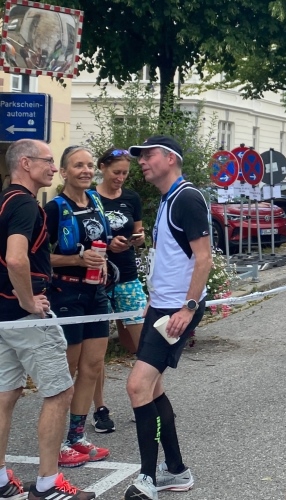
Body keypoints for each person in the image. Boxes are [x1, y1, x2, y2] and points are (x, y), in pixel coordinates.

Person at [0, 139, 94, 500]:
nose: (54, 168)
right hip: (26, 316)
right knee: (59, 392)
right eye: (49, 161)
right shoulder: (26, 204)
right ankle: (48, 483)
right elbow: (16, 258)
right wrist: (28, 300)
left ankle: (0, 478)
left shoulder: (4, 200)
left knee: (6, 392)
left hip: (3, 316)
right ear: (25, 163)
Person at [123, 136, 211, 499]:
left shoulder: (187, 198)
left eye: (148, 155)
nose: (142, 161)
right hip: (162, 306)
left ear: (170, 158)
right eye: (140, 156)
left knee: (137, 386)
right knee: (152, 387)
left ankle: (147, 479)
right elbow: (170, 260)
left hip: (178, 309)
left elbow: (204, 258)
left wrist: (187, 308)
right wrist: (153, 299)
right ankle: (175, 470)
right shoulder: (167, 199)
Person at [44, 146, 112, 468]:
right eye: (78, 165)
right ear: (64, 172)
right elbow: (39, 257)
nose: (86, 171)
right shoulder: (54, 208)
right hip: (66, 292)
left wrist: (107, 255)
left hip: (95, 292)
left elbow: (101, 243)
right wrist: (77, 260)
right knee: (68, 369)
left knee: (93, 366)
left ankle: (77, 437)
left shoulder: (96, 201)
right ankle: (57, 444)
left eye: (89, 165)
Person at [91, 147, 148, 434]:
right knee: (96, 351)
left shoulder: (131, 198)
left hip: (127, 276)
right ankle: (100, 408)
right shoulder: (90, 198)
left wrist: (137, 239)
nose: (120, 178)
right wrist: (107, 244)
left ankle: (145, 401)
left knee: (143, 344)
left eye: (125, 173)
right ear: (102, 168)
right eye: (116, 172)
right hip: (97, 279)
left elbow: (140, 233)